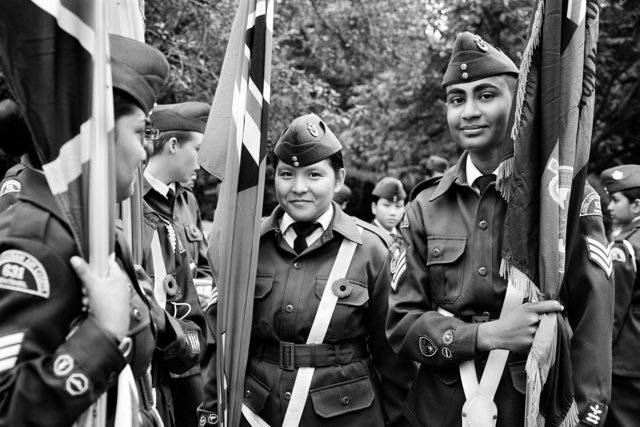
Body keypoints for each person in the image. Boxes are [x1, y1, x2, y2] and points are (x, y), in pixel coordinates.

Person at [386, 32, 613, 427]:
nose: (469, 111)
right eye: (457, 100)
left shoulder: (561, 199)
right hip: (437, 411)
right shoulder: (424, 207)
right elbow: (402, 324)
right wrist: (486, 336)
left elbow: (593, 322)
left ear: (519, 104)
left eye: (486, 95)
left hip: (533, 409)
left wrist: (589, 415)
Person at [199, 113, 417, 427]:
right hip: (257, 412)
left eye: (314, 175)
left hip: (347, 416)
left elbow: (394, 358)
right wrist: (210, 413)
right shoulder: (246, 245)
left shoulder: (372, 250)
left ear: (339, 179)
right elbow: (220, 341)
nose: (298, 187)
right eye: (287, 174)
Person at [0, 34, 171, 425]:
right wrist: (102, 335)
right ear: (97, 134)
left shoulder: (92, 225)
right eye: (140, 131)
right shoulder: (35, 237)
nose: (146, 151)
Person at [143, 102, 211, 427]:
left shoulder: (185, 200)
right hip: (154, 356)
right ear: (172, 145)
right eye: (197, 149)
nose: (203, 160)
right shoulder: (130, 203)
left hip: (188, 349)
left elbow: (202, 267)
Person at [601, 165, 640, 427]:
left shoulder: (625, 247)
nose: (610, 208)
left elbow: (611, 311)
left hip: (626, 358)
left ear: (636, 205)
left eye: (615, 200)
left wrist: (598, 355)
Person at [370, 176, 406, 242]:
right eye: (386, 205)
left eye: (398, 206)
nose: (393, 213)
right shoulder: (364, 238)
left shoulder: (405, 242)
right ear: (374, 207)